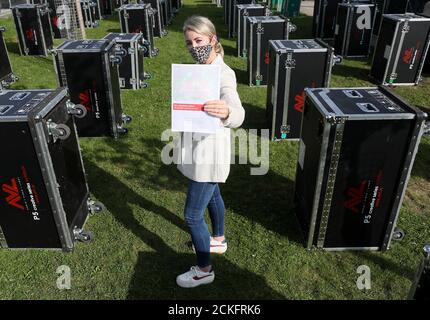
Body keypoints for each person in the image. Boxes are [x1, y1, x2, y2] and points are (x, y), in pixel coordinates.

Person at [175, 15, 245, 288]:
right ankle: (218, 239)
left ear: (213, 39)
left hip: (208, 156)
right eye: (189, 42)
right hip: (199, 150)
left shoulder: (223, 73)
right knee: (214, 195)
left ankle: (204, 270)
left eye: (199, 40)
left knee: (192, 215)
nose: (194, 46)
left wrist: (228, 112)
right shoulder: (200, 69)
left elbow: (236, 108)